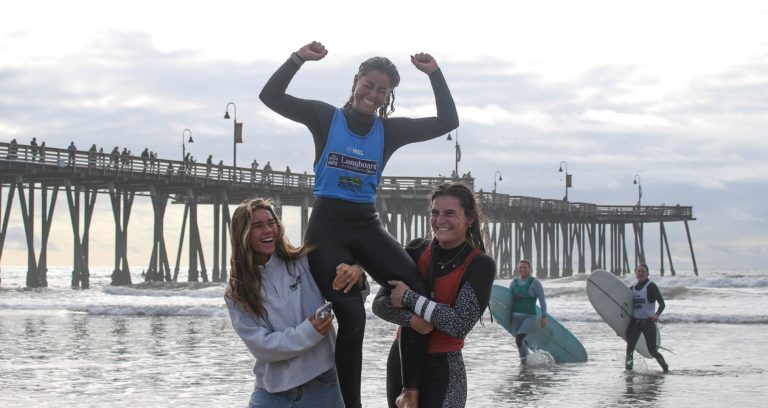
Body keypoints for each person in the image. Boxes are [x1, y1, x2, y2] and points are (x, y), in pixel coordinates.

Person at [259, 40, 459, 407]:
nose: (373, 94)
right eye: (369, 85)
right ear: (355, 82)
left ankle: (410, 391)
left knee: (417, 291)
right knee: (352, 317)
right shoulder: (325, 118)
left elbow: (448, 122)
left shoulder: (389, 131)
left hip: (366, 224)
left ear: (388, 96)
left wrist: (435, 73)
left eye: (382, 90)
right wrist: (298, 58)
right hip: (327, 230)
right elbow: (270, 96)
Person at [225, 198, 367, 407]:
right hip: (272, 392)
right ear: (242, 234)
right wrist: (308, 331)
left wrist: (356, 273)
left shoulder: (304, 261)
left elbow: (348, 299)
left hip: (322, 385)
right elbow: (263, 347)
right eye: (258, 226)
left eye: (271, 223)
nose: (268, 230)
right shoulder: (237, 291)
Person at [373, 182, 495, 408]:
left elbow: (458, 323)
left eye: (450, 213)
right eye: (435, 212)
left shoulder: (480, 265)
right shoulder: (416, 251)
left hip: (444, 369)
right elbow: (380, 304)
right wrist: (411, 320)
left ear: (469, 218)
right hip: (402, 361)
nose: (439, 220)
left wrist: (409, 298)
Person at [625, 263, 668, 373]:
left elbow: (662, 304)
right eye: (638, 271)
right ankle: (628, 373)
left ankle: (666, 369)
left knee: (652, 351)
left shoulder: (651, 286)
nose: (640, 273)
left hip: (648, 322)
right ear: (636, 274)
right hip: (635, 322)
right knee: (629, 349)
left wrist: (656, 314)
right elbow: (624, 305)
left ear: (647, 274)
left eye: (643, 271)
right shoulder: (632, 288)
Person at [508, 259, 547, 366]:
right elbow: (508, 301)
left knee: (519, 339)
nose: (522, 269)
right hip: (515, 317)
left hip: (529, 316)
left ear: (530, 269)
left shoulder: (535, 283)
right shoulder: (514, 283)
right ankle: (525, 364)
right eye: (520, 267)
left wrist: (544, 316)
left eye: (525, 267)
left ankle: (524, 362)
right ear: (518, 269)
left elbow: (542, 300)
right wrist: (501, 316)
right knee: (521, 341)